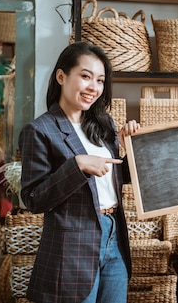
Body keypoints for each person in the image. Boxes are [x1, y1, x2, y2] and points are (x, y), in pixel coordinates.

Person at [19, 41, 140, 303]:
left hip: (114, 236)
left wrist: (132, 146)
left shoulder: (103, 123)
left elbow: (116, 176)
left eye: (99, 80)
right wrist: (77, 166)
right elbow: (33, 198)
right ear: (62, 76)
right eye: (85, 77)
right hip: (72, 246)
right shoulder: (40, 130)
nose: (93, 87)